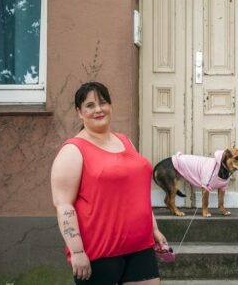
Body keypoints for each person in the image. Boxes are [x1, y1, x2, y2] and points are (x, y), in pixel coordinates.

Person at [51, 81, 167, 285]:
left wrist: (154, 229)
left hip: (140, 247)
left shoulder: (125, 141)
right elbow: (64, 205)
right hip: (100, 253)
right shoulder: (73, 150)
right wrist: (77, 251)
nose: (98, 109)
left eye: (103, 103)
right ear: (79, 112)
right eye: (89, 105)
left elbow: (136, 194)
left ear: (110, 106)